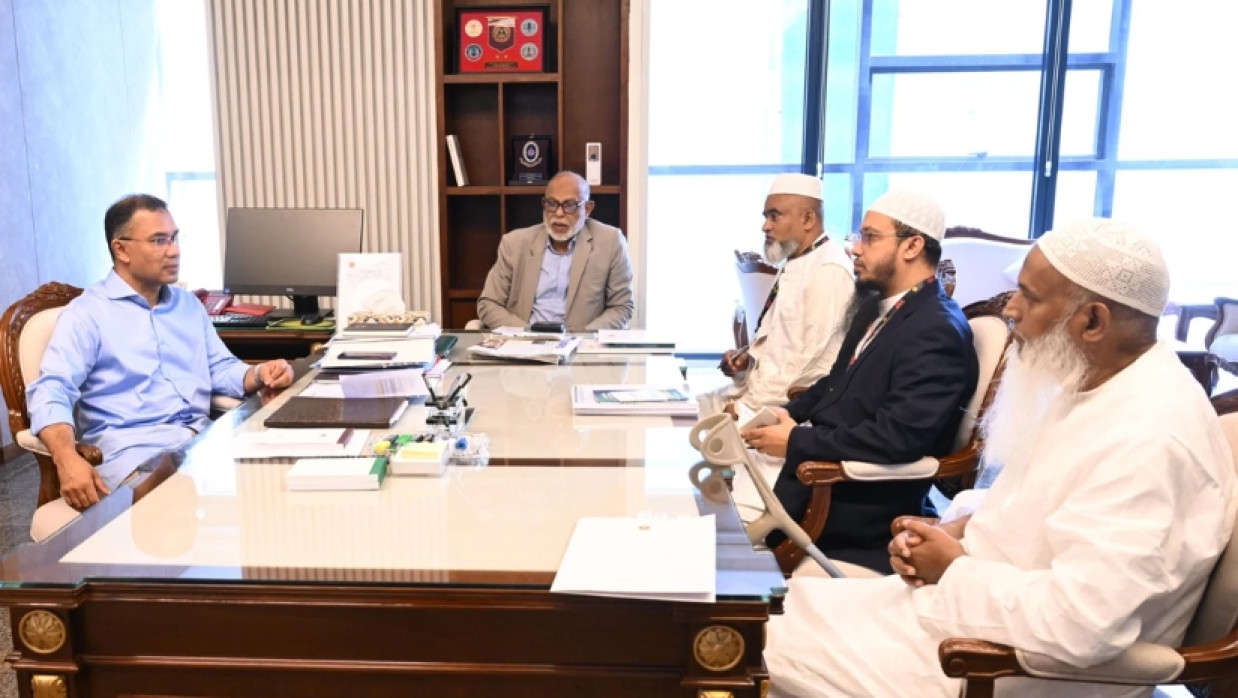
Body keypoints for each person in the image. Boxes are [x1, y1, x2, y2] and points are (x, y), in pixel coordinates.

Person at [763, 218, 1236, 698]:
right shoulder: (1101, 379)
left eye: (1029, 296)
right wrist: (956, 529)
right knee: (768, 607)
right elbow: (1043, 504)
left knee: (744, 646)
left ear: (1093, 321)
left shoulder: (1148, 440)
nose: (1010, 308)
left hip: (994, 666)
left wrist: (952, 568)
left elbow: (1082, 623)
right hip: (963, 616)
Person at [741, 190, 978, 572]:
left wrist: (796, 441)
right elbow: (834, 383)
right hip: (817, 468)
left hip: (850, 500)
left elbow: (898, 437)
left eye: (869, 237)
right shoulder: (877, 305)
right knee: (710, 478)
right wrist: (785, 413)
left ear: (913, 246)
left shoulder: (936, 329)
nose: (854, 248)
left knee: (709, 520)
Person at [27, 194, 294, 511]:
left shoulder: (188, 305)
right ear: (121, 249)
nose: (174, 250)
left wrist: (261, 372)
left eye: (174, 238)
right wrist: (66, 457)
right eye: (159, 241)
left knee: (281, 476)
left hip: (198, 440)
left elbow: (220, 369)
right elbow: (52, 390)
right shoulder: (86, 314)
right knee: (173, 487)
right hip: (133, 452)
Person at [712, 173, 853, 412]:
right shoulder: (798, 260)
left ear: (808, 219)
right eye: (766, 217)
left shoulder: (829, 270)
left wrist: (747, 408)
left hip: (788, 412)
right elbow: (782, 347)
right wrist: (747, 360)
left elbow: (814, 367)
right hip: (761, 397)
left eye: (774, 216)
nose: (765, 226)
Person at [476, 171, 634, 331]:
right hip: (524, 340)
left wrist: (583, 337)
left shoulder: (611, 242)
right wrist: (527, 335)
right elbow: (488, 304)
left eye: (570, 205)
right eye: (552, 204)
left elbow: (621, 307)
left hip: (581, 342)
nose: (559, 213)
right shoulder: (514, 243)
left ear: (587, 209)